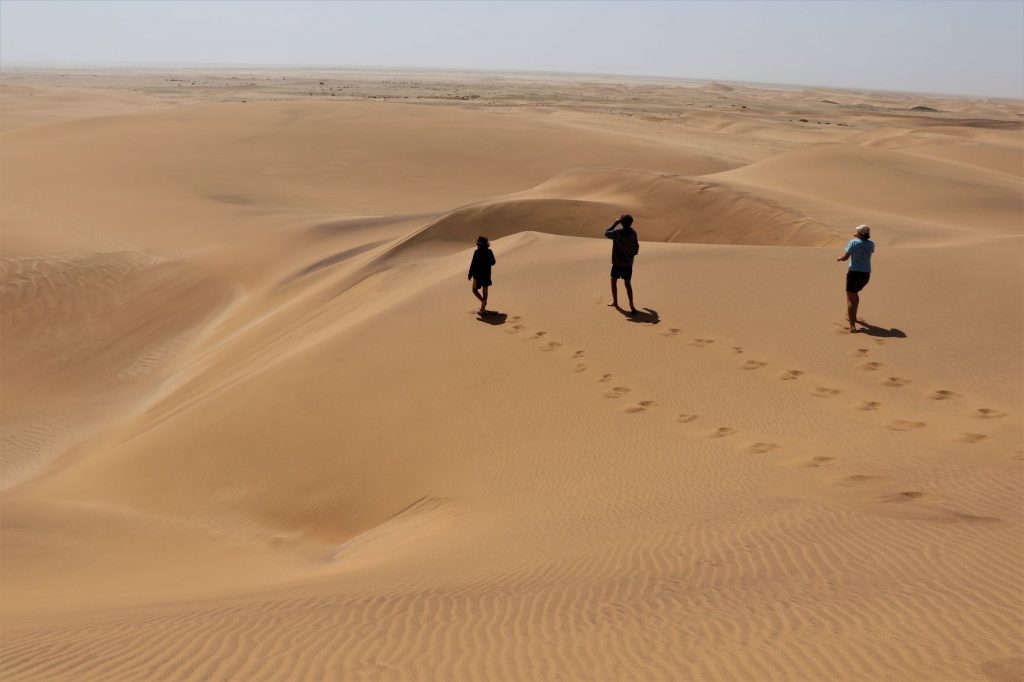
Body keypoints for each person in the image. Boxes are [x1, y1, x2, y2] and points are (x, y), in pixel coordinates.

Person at [837, 224, 875, 333]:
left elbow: (845, 258)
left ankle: (852, 325)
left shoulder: (853, 242)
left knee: (850, 298)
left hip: (854, 273)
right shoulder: (871, 244)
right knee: (855, 297)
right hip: (866, 275)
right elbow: (867, 252)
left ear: (860, 233)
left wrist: (839, 259)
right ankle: (854, 317)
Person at [605, 214, 639, 315]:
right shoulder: (633, 233)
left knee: (613, 281)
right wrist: (631, 255)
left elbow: (606, 233)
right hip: (628, 264)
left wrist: (615, 223)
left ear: (621, 223)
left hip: (617, 263)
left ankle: (615, 302)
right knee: (627, 284)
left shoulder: (617, 232)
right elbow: (636, 247)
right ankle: (632, 305)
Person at [468, 235, 496, 314]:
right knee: (485, 292)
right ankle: (483, 308)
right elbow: (493, 262)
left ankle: (483, 302)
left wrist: (470, 274)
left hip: (477, 274)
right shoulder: (489, 251)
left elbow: (473, 264)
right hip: (486, 274)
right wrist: (487, 262)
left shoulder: (477, 252)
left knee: (474, 290)